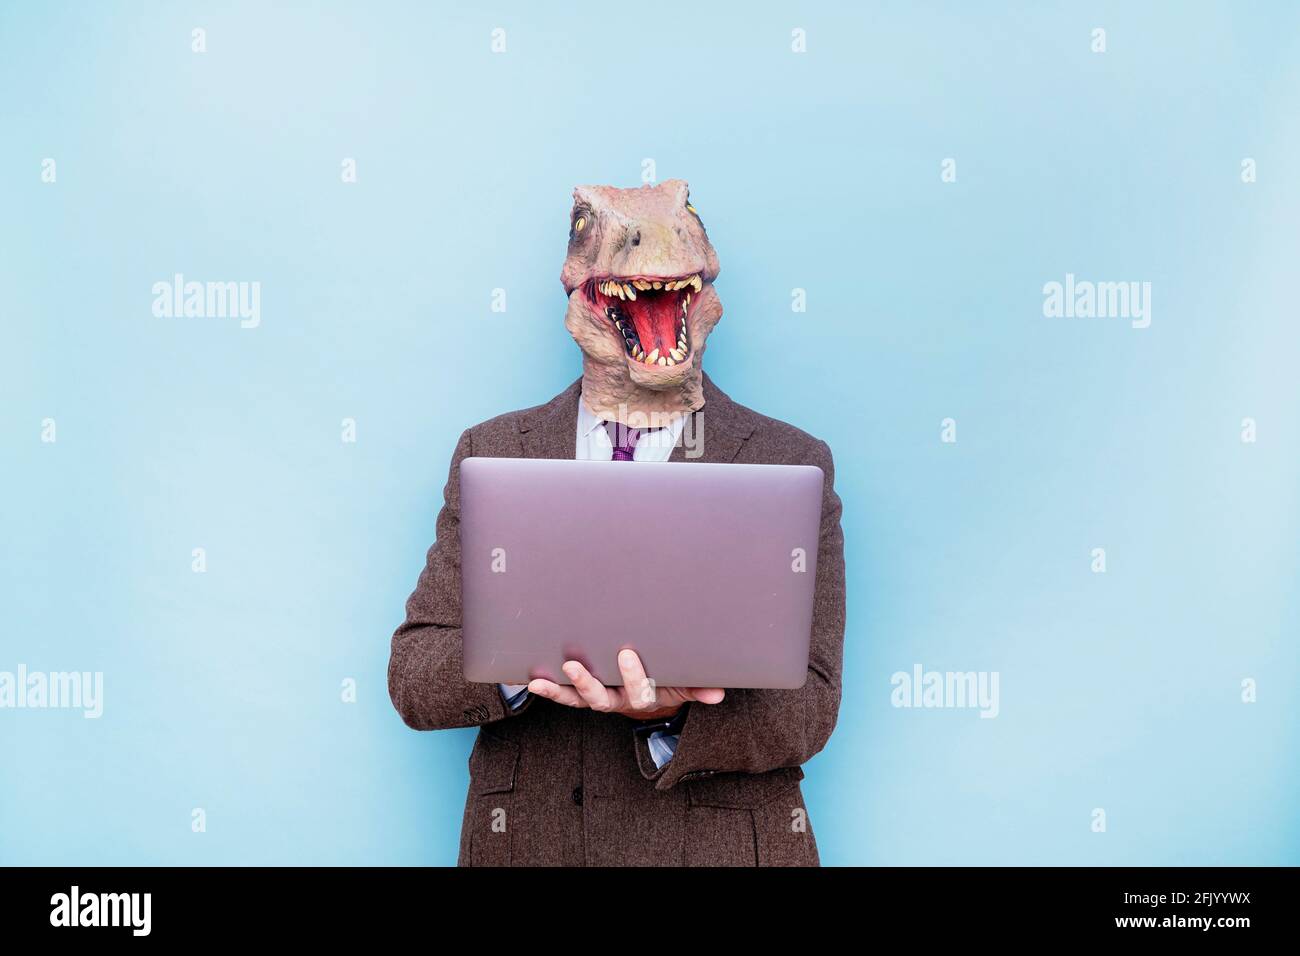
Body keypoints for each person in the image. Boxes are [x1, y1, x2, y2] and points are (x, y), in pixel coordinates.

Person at [388, 180, 845, 866]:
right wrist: (524, 661)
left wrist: (668, 715)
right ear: (576, 296)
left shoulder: (792, 462)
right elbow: (414, 676)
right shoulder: (492, 452)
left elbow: (811, 706)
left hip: (720, 847)